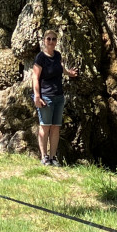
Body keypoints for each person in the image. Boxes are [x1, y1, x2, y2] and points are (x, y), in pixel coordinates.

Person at [32, 29, 78, 166]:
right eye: (48, 39)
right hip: (46, 96)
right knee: (45, 126)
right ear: (44, 41)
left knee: (56, 127)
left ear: (56, 41)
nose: (51, 41)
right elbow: (35, 77)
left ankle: (52, 157)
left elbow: (59, 68)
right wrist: (37, 96)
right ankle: (44, 157)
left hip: (59, 96)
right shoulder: (40, 57)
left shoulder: (57, 55)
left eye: (53, 39)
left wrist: (69, 73)